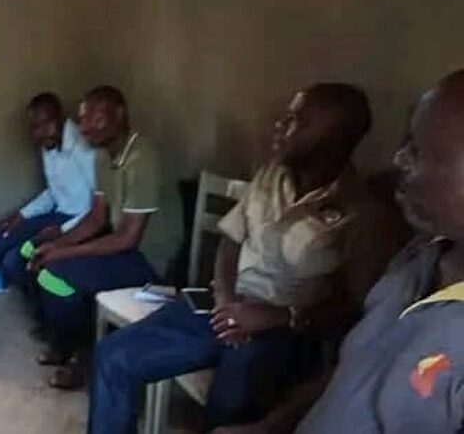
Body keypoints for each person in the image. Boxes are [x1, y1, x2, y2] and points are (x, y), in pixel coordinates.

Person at [87, 83, 387, 434]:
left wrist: (278, 316)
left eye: (297, 121)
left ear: (337, 139)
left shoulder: (362, 213)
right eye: (285, 116)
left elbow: (356, 307)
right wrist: (226, 301)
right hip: (224, 308)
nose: (280, 125)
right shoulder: (270, 175)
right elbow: (230, 241)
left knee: (234, 393)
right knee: (113, 355)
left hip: (286, 332)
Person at [214, 70, 464, 434]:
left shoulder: (363, 217)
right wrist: (269, 427)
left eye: (417, 150)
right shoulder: (418, 259)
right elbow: (356, 372)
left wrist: (285, 317)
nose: (397, 160)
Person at [28, 86, 162, 390]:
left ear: (119, 115)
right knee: (48, 269)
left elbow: (129, 238)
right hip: (121, 249)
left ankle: (81, 357)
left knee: (59, 276)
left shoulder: (142, 157)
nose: (85, 127)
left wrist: (62, 255)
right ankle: (68, 347)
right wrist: (56, 245)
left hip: (149, 263)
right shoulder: (104, 156)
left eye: (95, 119)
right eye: (83, 119)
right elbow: (96, 218)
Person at [0, 92, 96, 289]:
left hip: (79, 222)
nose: (35, 134)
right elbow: (53, 191)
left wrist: (62, 231)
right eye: (33, 127)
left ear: (56, 120)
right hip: (57, 215)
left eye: (41, 126)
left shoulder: (82, 147)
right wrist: (21, 215)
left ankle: (40, 294)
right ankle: (32, 279)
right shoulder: (48, 145)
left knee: (14, 261)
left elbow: (98, 205)